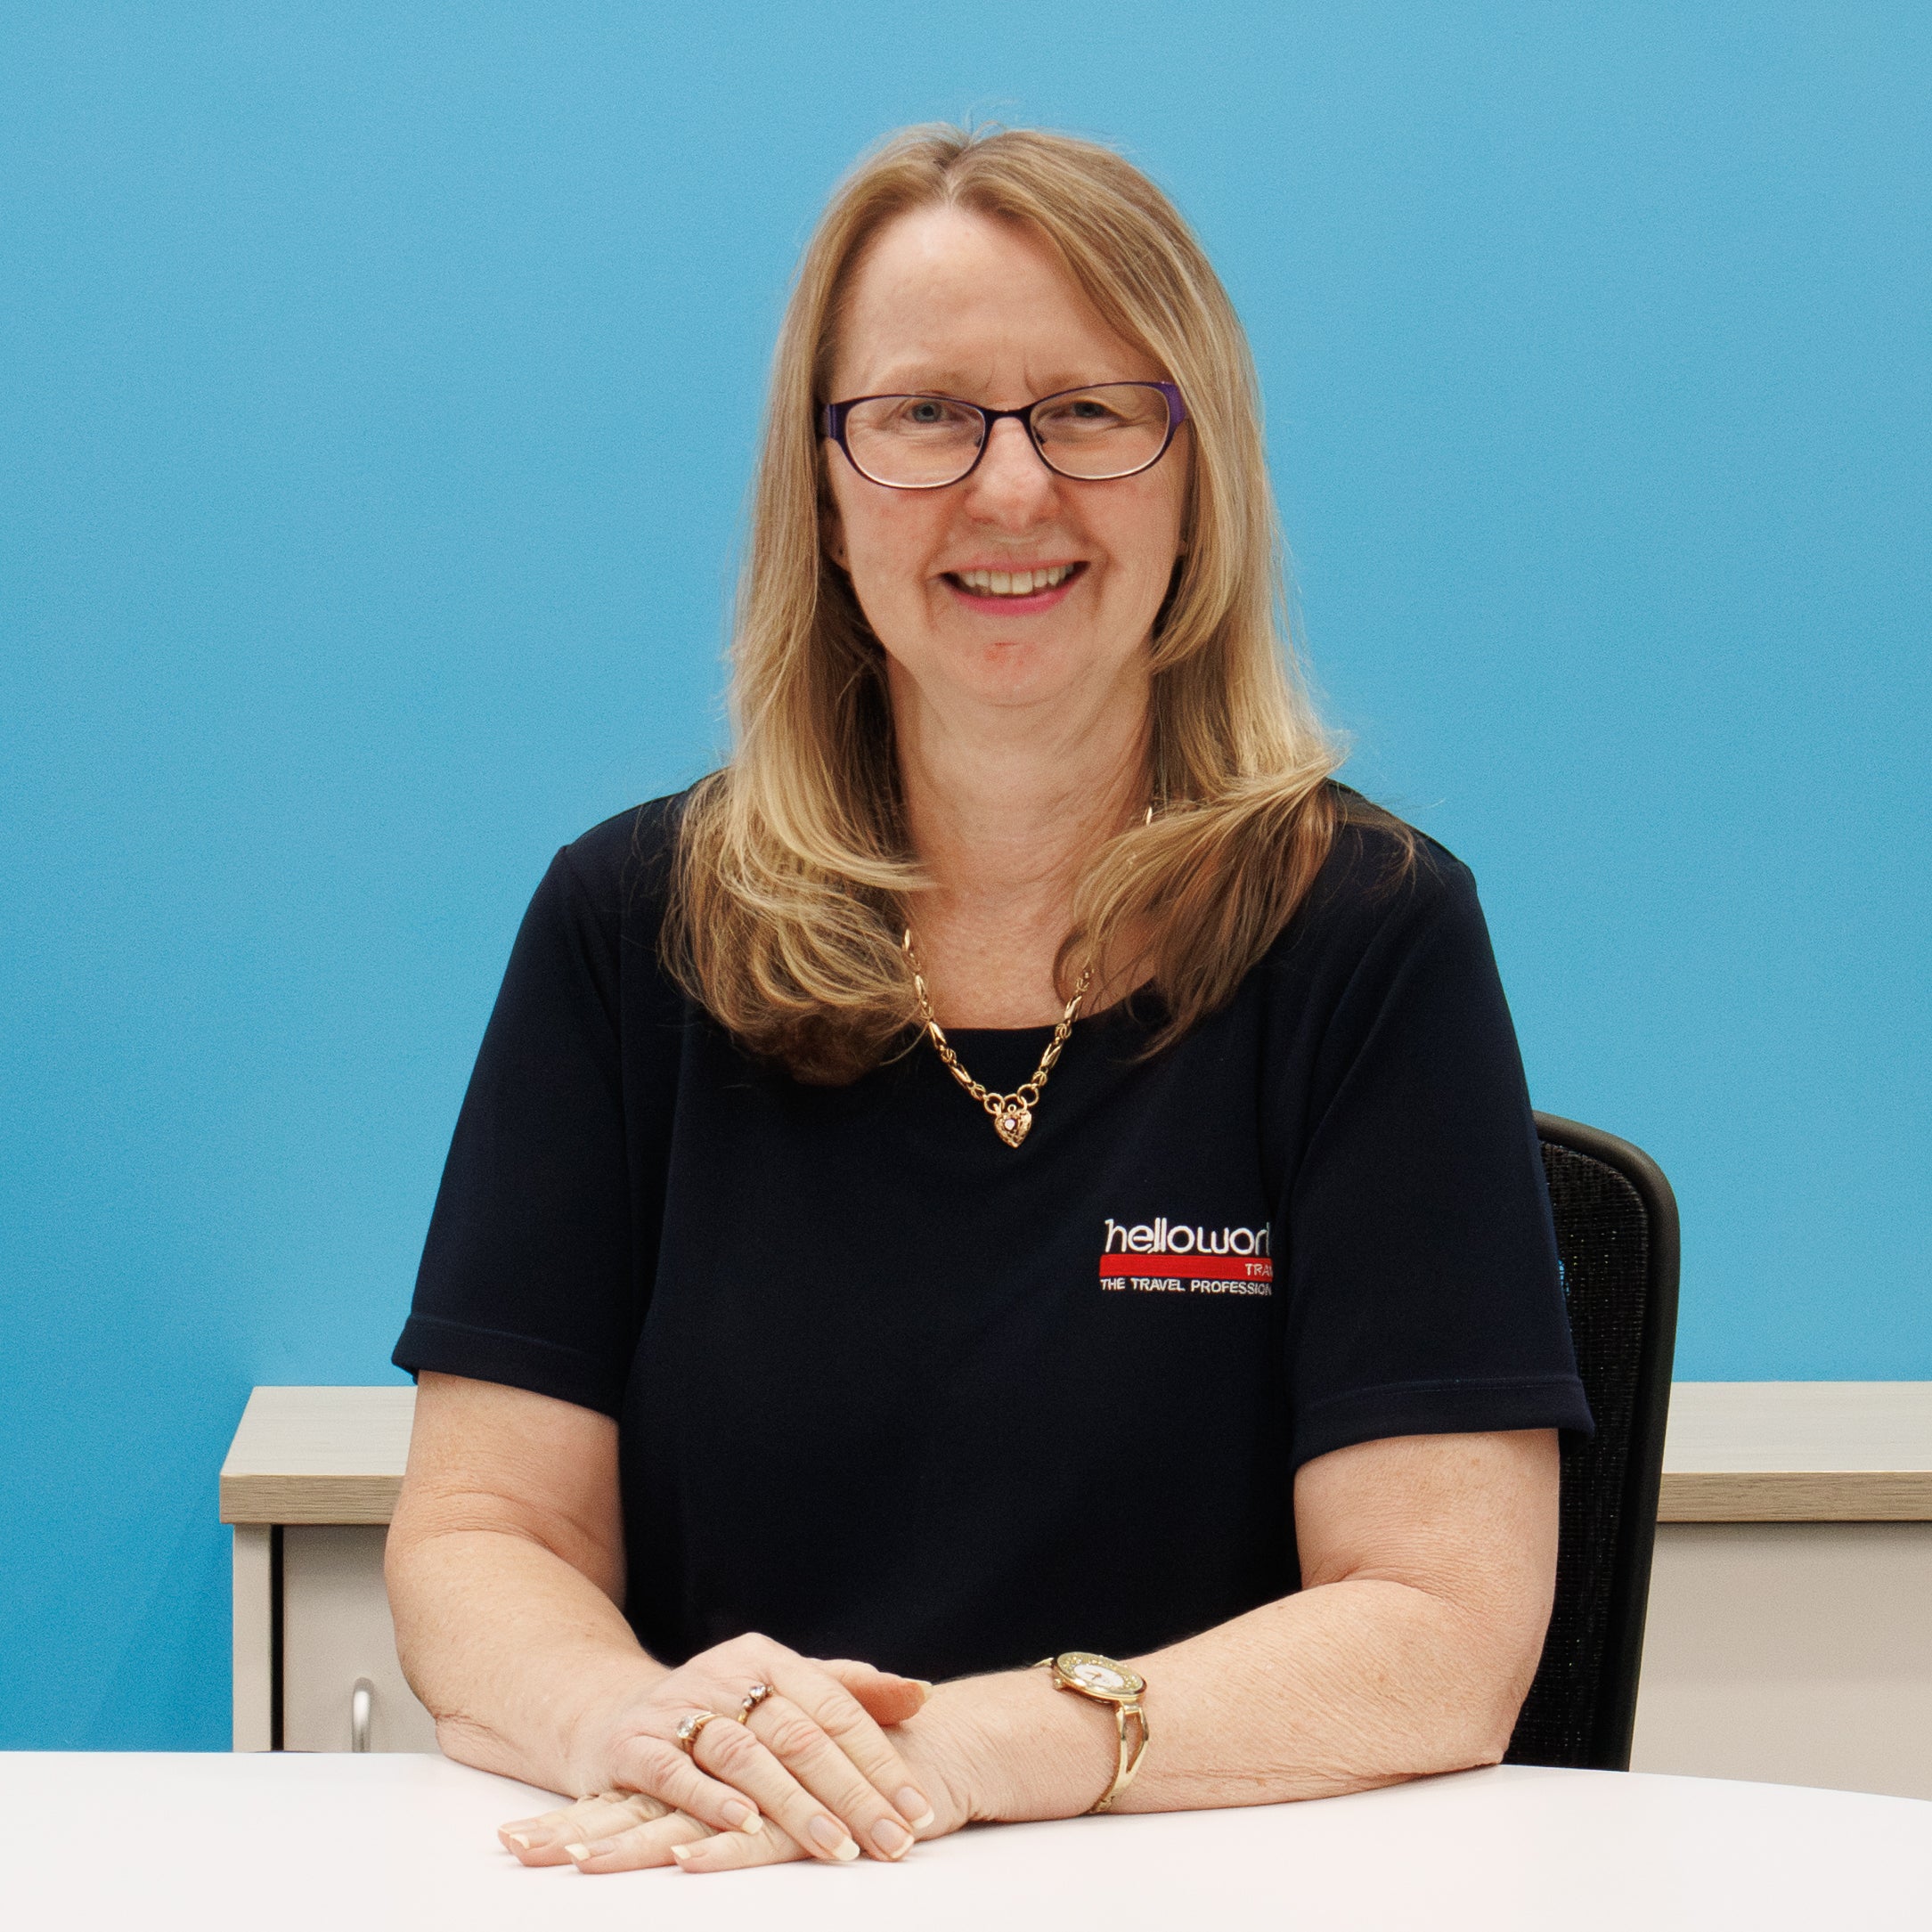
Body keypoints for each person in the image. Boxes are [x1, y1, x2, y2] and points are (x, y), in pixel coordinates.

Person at [385, 123, 1591, 1879]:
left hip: (1216, 1887)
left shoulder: (1364, 934)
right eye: (926, 415)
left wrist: (971, 1747)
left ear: (1196, 475)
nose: (1010, 490)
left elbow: (1440, 1621)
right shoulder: (630, 924)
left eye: (1089, 412)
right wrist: (633, 1724)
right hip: (728, 1881)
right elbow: (481, 1534)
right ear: (822, 488)